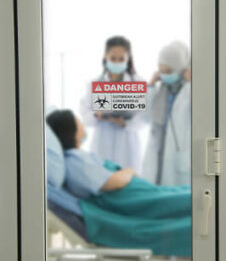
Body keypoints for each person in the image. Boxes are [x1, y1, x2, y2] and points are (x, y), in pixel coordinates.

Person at [46, 109, 192, 256]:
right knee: (185, 199)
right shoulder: (74, 161)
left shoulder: (79, 157)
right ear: (69, 130)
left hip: (135, 195)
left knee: (182, 196)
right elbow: (112, 183)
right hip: (129, 198)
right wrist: (129, 172)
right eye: (79, 123)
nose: (83, 126)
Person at [80, 36, 144, 173]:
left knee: (129, 185)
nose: (116, 63)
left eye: (121, 59)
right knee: (104, 181)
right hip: (103, 141)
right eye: (113, 59)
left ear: (128, 58)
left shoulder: (137, 83)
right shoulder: (94, 84)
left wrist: (125, 124)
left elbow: (144, 119)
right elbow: (85, 117)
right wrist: (96, 115)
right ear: (105, 57)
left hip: (128, 143)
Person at [143, 42, 191, 185]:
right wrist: (150, 85)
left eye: (169, 71)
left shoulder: (189, 91)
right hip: (159, 149)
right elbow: (144, 116)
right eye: (161, 70)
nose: (164, 75)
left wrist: (190, 85)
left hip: (178, 154)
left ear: (181, 69)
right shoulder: (160, 91)